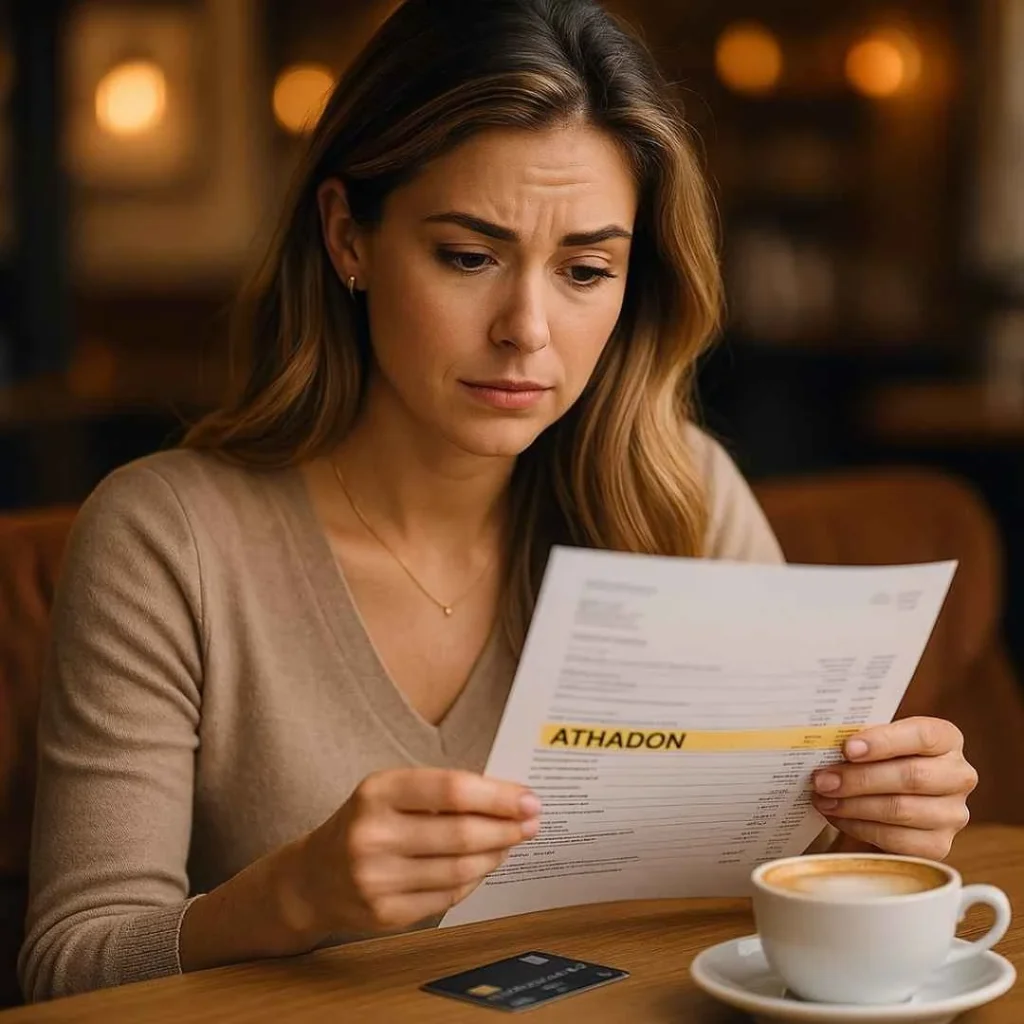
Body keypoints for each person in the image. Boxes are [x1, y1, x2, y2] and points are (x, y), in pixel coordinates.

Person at [19, 0, 978, 1002]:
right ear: (348, 237)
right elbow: (69, 963)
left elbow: (756, 895)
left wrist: (865, 833)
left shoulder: (680, 494)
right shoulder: (168, 537)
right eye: (468, 256)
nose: (526, 328)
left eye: (584, 269)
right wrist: (293, 896)